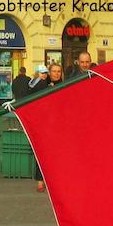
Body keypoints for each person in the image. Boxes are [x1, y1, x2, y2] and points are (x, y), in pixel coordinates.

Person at [33, 63, 64, 193]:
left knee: (57, 154)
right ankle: (40, 181)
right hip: (45, 124)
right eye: (54, 71)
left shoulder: (64, 85)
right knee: (42, 152)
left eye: (58, 71)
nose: (56, 73)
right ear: (49, 72)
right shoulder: (43, 85)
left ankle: (55, 182)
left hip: (59, 124)